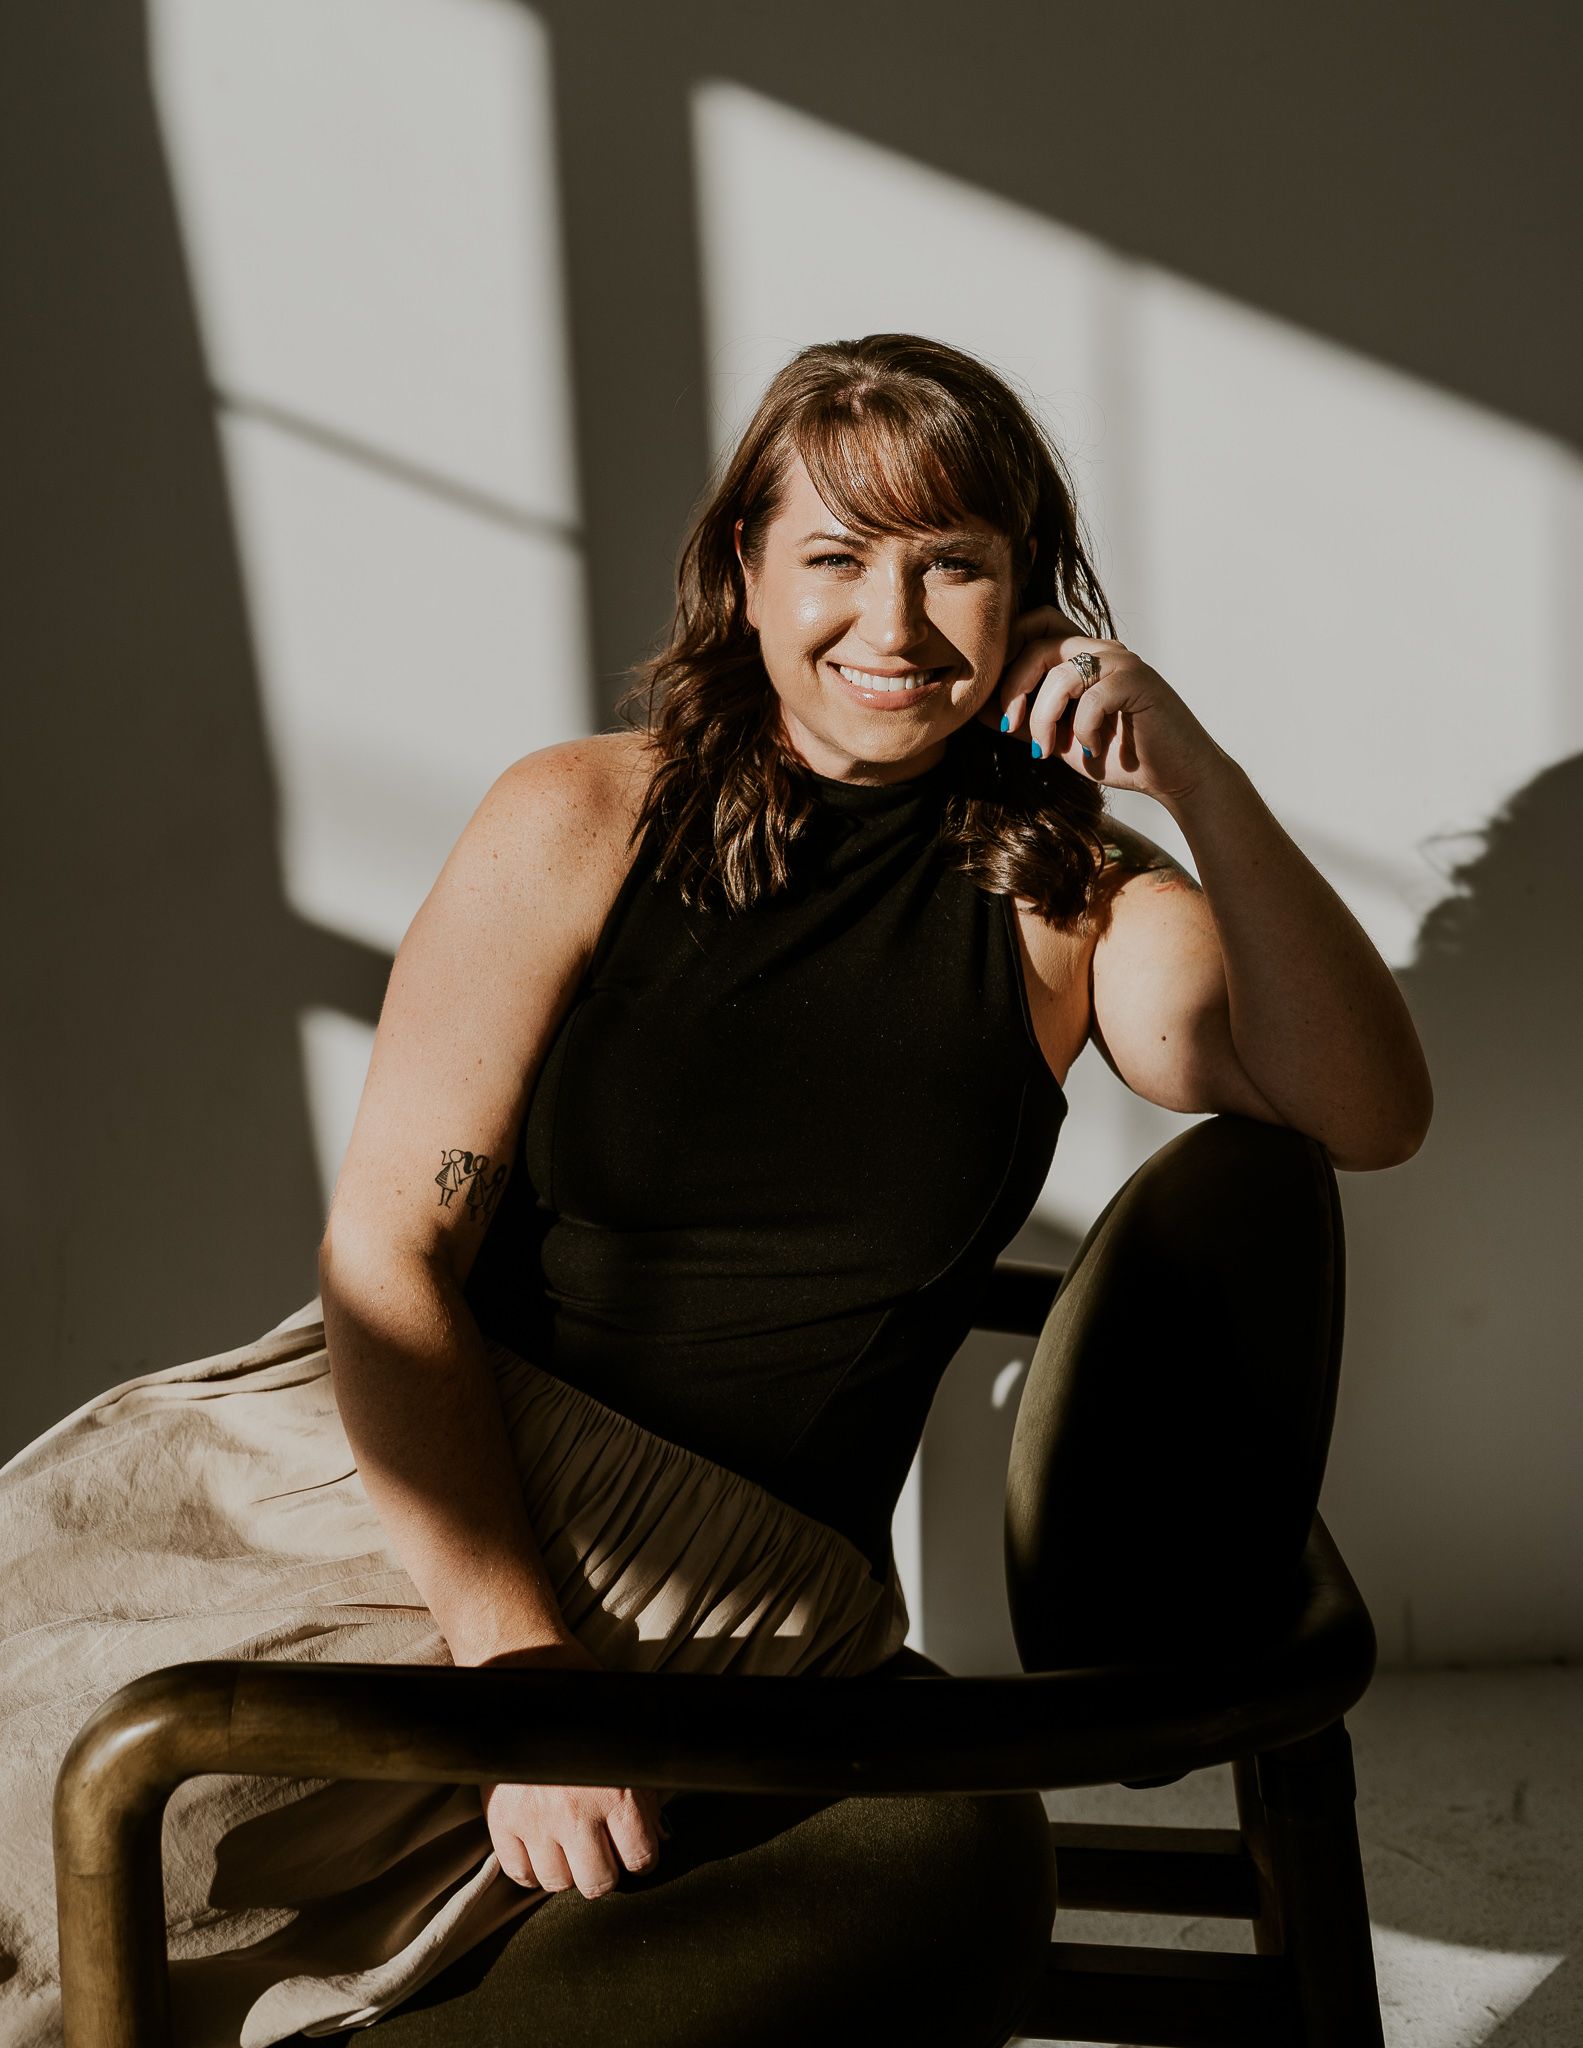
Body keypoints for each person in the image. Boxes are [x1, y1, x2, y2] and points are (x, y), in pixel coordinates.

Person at [0, 333, 1433, 2047]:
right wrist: (523, 1671)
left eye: (951, 567)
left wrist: (1195, 776)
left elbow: (1367, 1110)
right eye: (833, 558)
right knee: (84, 1838)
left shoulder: (1074, 907)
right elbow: (389, 1257)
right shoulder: (578, 821)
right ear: (740, 578)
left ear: (1031, 602)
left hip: (746, 1611)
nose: (890, 630)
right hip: (410, 1501)